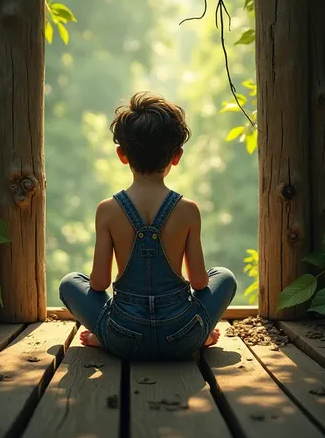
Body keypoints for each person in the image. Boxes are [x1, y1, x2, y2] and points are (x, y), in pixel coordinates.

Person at [59, 92, 237, 361]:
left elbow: (98, 283)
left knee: (70, 283)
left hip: (124, 335)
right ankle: (199, 335)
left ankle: (106, 338)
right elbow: (200, 282)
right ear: (176, 156)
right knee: (224, 276)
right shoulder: (188, 210)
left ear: (122, 155)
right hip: (181, 334)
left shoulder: (107, 210)